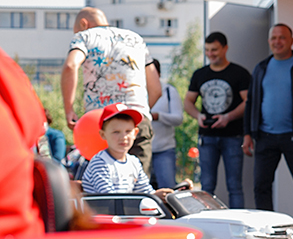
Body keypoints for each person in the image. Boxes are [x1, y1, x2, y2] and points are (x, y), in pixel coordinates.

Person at [62, 7, 161, 174]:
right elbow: (156, 89)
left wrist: (69, 109)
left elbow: (71, 65)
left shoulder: (84, 36)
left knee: (102, 186)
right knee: (138, 187)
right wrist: (139, 111)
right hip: (136, 120)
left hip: (101, 121)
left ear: (83, 24)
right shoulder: (136, 39)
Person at [243, 23, 293, 239]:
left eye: (282, 38)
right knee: (261, 186)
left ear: (291, 40)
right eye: (274, 38)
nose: (277, 41)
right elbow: (252, 102)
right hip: (264, 137)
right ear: (269, 41)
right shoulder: (261, 67)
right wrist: (248, 133)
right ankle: (267, 232)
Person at [185, 32, 251, 208]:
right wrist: (198, 116)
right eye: (207, 50)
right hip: (207, 137)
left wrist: (228, 117)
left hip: (233, 136)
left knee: (234, 186)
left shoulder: (239, 73)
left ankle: (238, 225)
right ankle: (209, 223)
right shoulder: (200, 74)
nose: (210, 54)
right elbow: (188, 102)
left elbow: (248, 102)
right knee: (207, 186)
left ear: (225, 48)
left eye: (214, 50)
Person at [80, 103, 175, 198]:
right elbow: (109, 199)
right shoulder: (100, 162)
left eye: (128, 131)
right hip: (102, 211)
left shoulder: (134, 162)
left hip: (121, 209)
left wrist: (157, 195)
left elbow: (144, 191)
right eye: (116, 132)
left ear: (135, 133)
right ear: (103, 134)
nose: (123, 137)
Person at [148, 59, 184, 189]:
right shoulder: (136, 92)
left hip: (164, 149)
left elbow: (178, 118)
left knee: (167, 189)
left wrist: (158, 116)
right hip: (142, 149)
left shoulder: (169, 91)